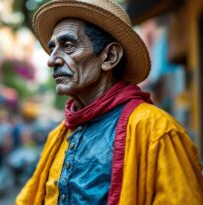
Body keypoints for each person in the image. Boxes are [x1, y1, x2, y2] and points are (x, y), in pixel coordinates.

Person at [16, 1, 203, 205]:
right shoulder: (58, 136)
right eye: (53, 49)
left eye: (68, 46)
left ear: (109, 56)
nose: (52, 60)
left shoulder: (158, 131)